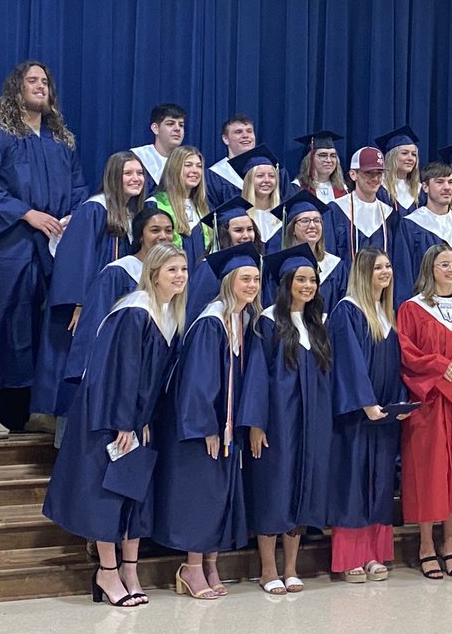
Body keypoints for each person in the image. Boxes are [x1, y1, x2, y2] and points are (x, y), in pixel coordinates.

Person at [42, 244, 188, 608]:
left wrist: (143, 420)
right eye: (172, 270)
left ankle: (130, 570)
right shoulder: (134, 311)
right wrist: (125, 422)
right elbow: (120, 372)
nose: (180, 276)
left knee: (133, 493)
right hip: (109, 418)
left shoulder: (168, 313)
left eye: (183, 269)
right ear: (153, 273)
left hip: (137, 420)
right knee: (107, 494)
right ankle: (107, 571)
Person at [0, 61, 87, 439]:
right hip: (9, 242)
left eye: (45, 82)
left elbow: (80, 188)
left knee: (53, 324)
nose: (39, 86)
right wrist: (26, 213)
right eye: (31, 81)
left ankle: (43, 409)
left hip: (55, 243)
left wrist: (72, 218)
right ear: (16, 89)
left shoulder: (61, 139)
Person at [151, 243, 260, 599]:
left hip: (226, 429)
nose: (252, 285)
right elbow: (199, 380)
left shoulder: (240, 320)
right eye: (245, 279)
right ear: (229, 281)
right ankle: (191, 567)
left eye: (256, 279)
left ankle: (211, 563)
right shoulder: (211, 322)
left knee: (219, 494)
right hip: (202, 430)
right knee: (200, 495)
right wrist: (207, 427)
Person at [239, 244, 332, 595]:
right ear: (286, 282)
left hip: (313, 423)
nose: (307, 286)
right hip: (278, 422)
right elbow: (256, 377)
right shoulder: (267, 321)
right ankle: (267, 569)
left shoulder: (319, 323)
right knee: (273, 489)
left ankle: (291, 567)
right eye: (300, 279)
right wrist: (256, 424)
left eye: (312, 280)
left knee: (301, 490)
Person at [33, 151, 145, 434]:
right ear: (113, 178)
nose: (136, 179)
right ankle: (67, 440)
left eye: (140, 173)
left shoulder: (132, 215)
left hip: (113, 306)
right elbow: (76, 259)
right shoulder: (95, 209)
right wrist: (80, 304)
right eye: (128, 173)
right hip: (88, 308)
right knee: (76, 365)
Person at [396, 244, 452, 581]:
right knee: (429, 474)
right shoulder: (412, 308)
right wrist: (437, 365)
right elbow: (407, 352)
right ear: (430, 269)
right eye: (444, 264)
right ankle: (425, 546)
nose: (451, 269)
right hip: (430, 404)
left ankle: (450, 545)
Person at [328, 249, 408, 584]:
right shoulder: (348, 310)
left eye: (389, 265)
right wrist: (365, 403)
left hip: (384, 414)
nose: (386, 272)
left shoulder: (386, 312)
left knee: (379, 483)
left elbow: (398, 363)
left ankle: (375, 553)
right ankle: (351, 557)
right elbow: (349, 362)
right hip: (357, 416)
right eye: (378, 267)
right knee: (353, 484)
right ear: (363, 273)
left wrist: (400, 403)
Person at [59, 209, 176, 420]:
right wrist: (91, 377)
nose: (163, 236)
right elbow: (94, 326)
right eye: (155, 230)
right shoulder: (118, 272)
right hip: (114, 376)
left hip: (147, 383)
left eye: (168, 231)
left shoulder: (173, 277)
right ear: (140, 235)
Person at [390, 161, 452, 304]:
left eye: (450, 182)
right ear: (425, 187)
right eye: (439, 182)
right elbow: (404, 274)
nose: (447, 188)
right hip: (424, 309)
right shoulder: (411, 225)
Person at [272, 191, 347, 313]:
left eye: (317, 220)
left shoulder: (335, 266)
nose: (312, 225)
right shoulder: (280, 266)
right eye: (305, 220)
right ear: (292, 229)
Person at [186, 196, 260, 317]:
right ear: (223, 234)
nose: (246, 235)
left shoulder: (252, 264)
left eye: (250, 229)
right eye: (238, 230)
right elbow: (195, 312)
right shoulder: (209, 268)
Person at [326, 147, 398, 260]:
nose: (375, 178)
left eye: (379, 173)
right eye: (369, 173)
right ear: (353, 174)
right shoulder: (336, 210)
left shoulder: (389, 214)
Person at [147, 146, 212, 269]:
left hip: (199, 282)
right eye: (188, 165)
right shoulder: (156, 204)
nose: (195, 170)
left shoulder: (202, 208)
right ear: (174, 168)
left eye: (199, 166)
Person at [231, 145, 284, 249]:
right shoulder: (239, 216)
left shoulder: (284, 216)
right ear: (249, 181)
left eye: (272, 176)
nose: (267, 180)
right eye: (260, 176)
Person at [131, 103, 187, 194]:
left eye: (181, 125)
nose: (177, 128)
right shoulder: (137, 158)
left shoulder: (187, 163)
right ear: (155, 128)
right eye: (170, 124)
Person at [205, 114, 256, 207]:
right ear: (225, 139)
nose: (245, 135)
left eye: (249, 131)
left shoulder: (271, 171)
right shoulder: (214, 175)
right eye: (238, 132)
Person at [375, 125, 421, 217]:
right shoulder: (379, 187)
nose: (410, 158)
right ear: (392, 157)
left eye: (414, 154)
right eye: (404, 153)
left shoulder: (420, 191)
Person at [292, 130, 348, 203]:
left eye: (333, 156)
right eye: (323, 155)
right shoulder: (298, 188)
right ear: (310, 159)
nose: (329, 160)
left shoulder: (343, 189)